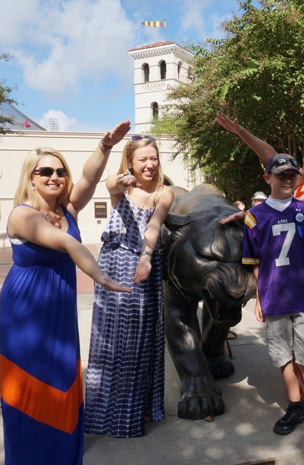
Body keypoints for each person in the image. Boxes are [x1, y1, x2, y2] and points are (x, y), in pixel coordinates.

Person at [0, 121, 132, 465]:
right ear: (31, 177)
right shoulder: (22, 215)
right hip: (26, 311)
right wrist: (102, 277)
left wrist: (105, 146)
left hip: (59, 306)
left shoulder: (66, 210)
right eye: (45, 171)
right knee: (30, 389)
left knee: (62, 378)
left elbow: (88, 179)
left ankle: (62, 455)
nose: (54, 176)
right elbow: (68, 243)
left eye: (60, 171)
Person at [217, 112, 304, 404]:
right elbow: (270, 153)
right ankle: (296, 394)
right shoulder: (300, 181)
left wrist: (258, 212)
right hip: (280, 263)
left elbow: (302, 217)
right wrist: (240, 130)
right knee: (281, 331)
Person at [242, 153, 304, 450]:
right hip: (274, 298)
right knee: (283, 357)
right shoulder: (255, 216)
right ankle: (295, 405)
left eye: (291, 175)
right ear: (267, 178)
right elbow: (254, 262)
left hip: (303, 298)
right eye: (280, 175)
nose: (286, 180)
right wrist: (259, 296)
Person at [85, 134, 174, 438]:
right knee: (108, 340)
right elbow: (110, 183)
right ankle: (101, 413)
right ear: (131, 163)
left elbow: (154, 225)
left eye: (154, 158)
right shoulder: (121, 186)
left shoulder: (164, 192)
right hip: (112, 263)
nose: (150, 164)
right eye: (143, 159)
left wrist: (147, 256)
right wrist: (120, 181)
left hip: (142, 266)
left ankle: (134, 412)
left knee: (139, 341)